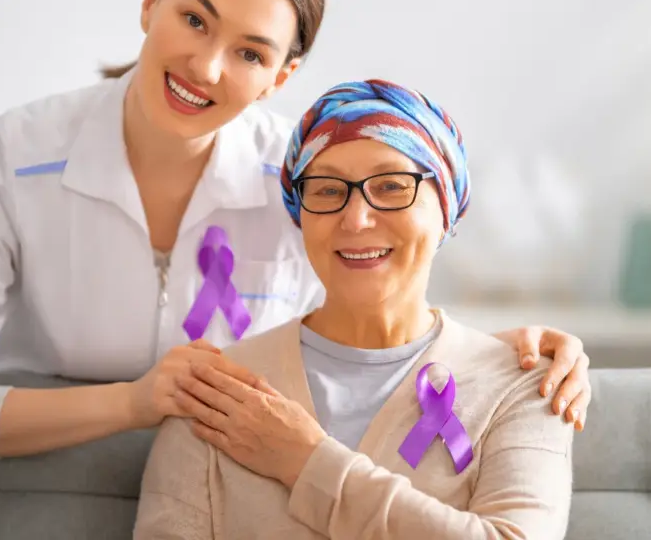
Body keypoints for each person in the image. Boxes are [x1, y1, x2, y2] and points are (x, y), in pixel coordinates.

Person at [0, 0, 591, 461]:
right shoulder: (16, 156)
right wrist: (134, 403)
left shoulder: (306, 179)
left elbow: (370, 339)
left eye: (250, 53)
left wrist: (507, 356)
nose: (207, 68)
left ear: (281, 76)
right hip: (39, 483)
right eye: (194, 19)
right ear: (150, 2)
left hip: (235, 487)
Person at [134, 80, 574, 539]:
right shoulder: (216, 393)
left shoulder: (524, 385)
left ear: (446, 208)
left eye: (390, 186)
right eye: (326, 190)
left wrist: (307, 462)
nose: (357, 218)